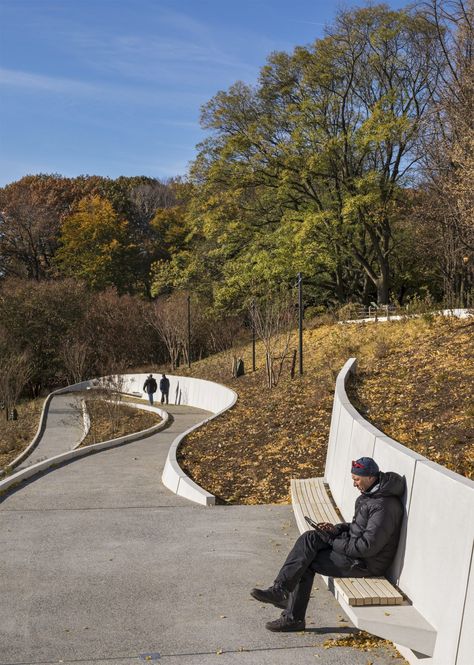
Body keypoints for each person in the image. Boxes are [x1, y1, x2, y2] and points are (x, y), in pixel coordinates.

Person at [250, 457, 405, 632]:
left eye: (357, 479)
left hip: (366, 564)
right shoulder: (371, 496)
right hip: (354, 554)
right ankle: (280, 590)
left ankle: (292, 616)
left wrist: (332, 540)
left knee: (306, 562)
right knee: (310, 538)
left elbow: (367, 547)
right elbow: (358, 529)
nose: (354, 484)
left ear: (370, 477)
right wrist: (336, 530)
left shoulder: (384, 506)